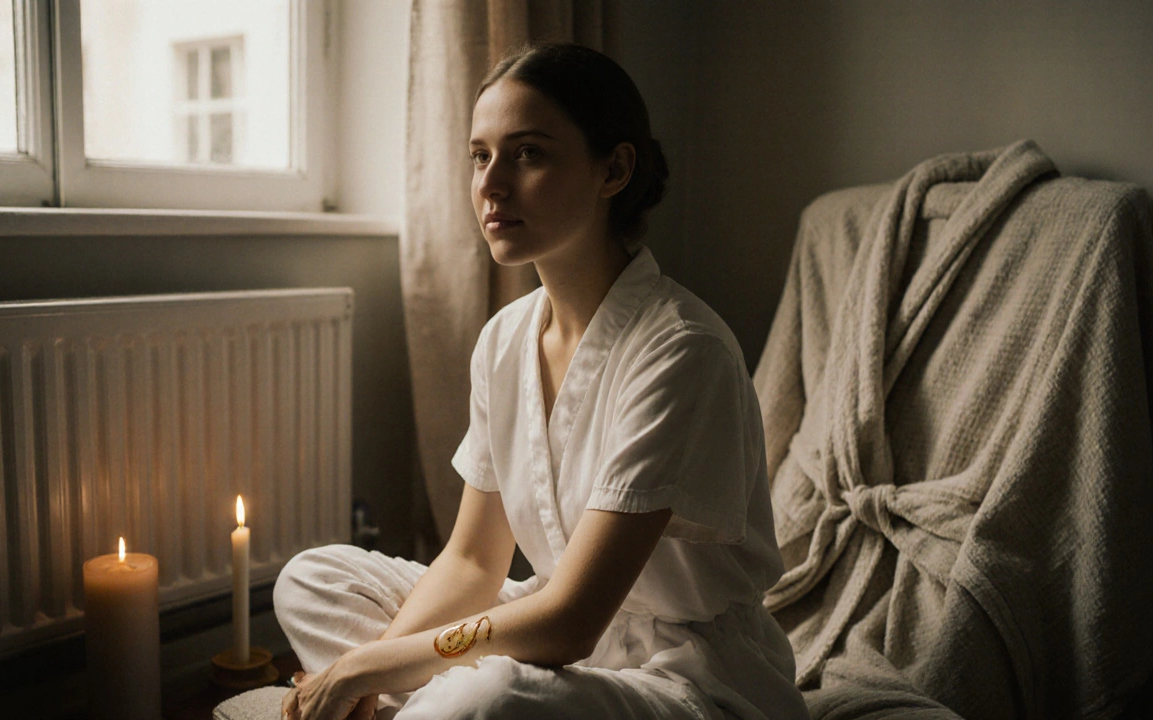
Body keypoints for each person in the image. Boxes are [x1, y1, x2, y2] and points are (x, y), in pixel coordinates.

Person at [276, 42, 808, 720]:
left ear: (613, 169)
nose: (491, 184)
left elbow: (569, 623)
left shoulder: (682, 352)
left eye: (528, 153)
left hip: (683, 677)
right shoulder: (504, 340)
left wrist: (364, 665)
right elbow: (472, 564)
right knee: (311, 580)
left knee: (495, 695)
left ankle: (432, 704)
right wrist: (370, 672)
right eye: (479, 155)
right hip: (545, 629)